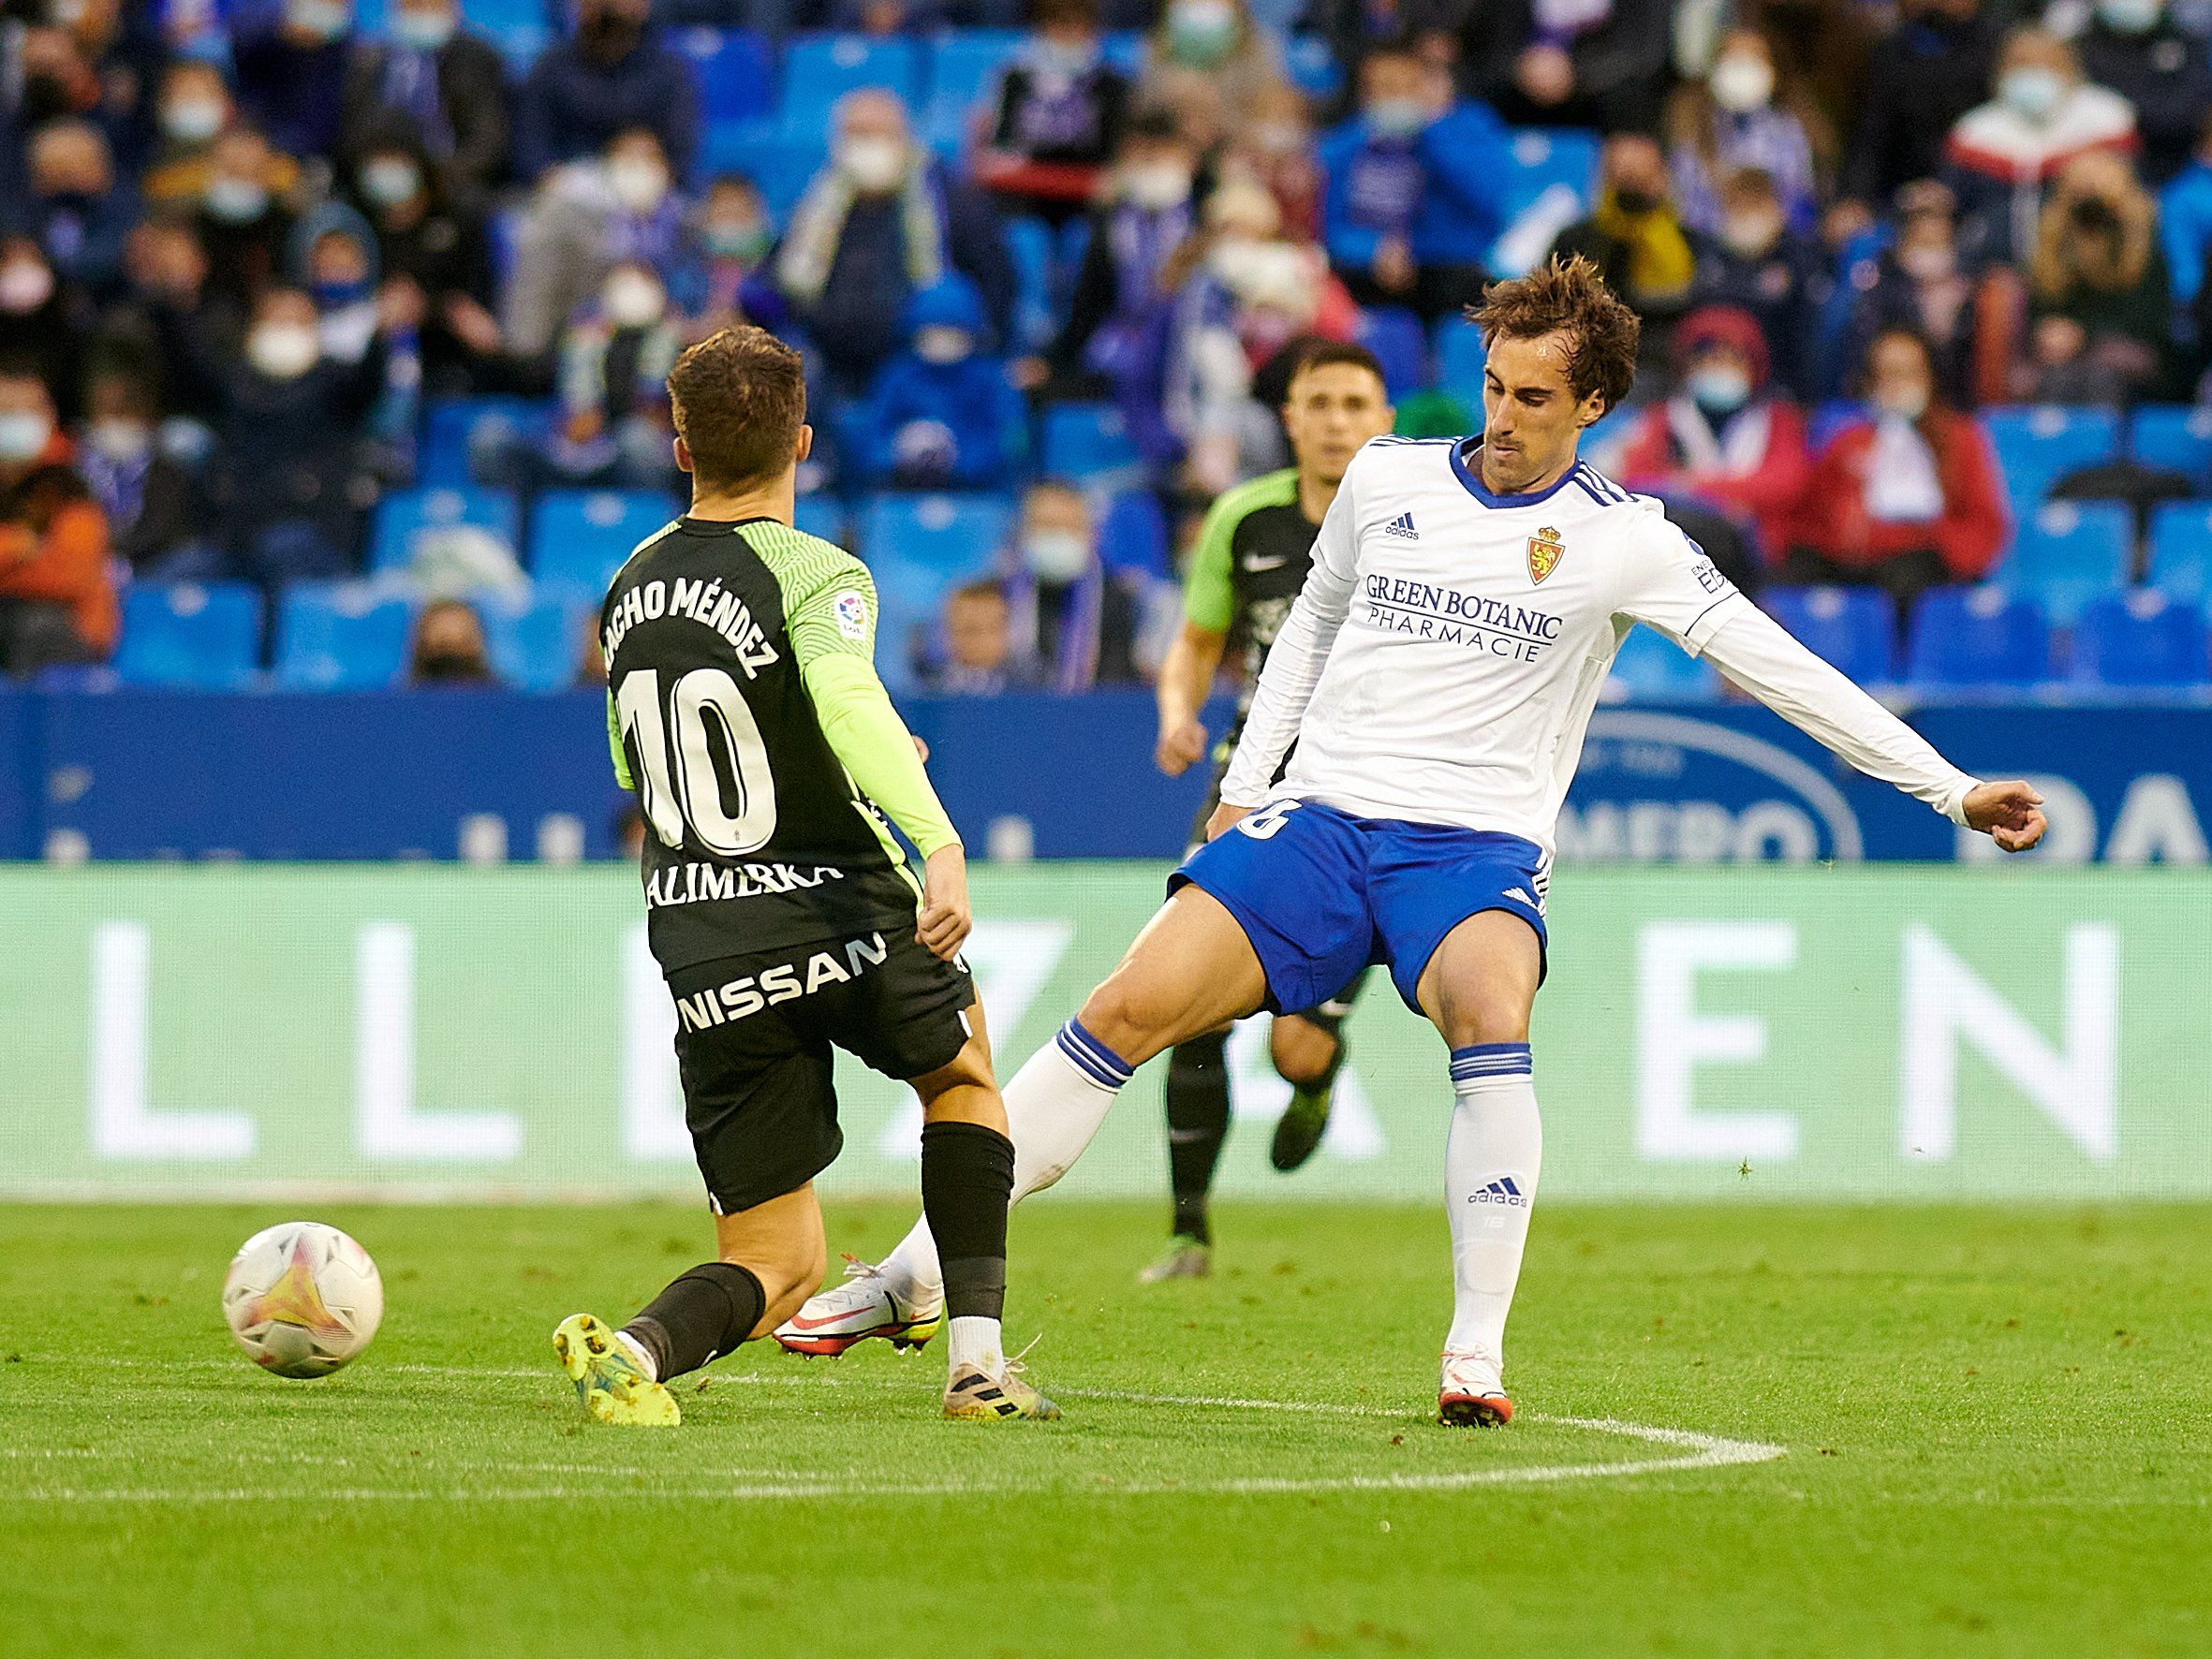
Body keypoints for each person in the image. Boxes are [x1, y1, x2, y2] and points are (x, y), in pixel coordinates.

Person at [776, 257, 2049, 1425]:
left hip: (1472, 849)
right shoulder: (1388, 478)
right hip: (1319, 819)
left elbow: (1781, 670)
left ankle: (1472, 1359)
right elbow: (1309, 637)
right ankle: (909, 1278)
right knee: (1121, 1009)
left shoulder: (1627, 541)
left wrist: (1947, 789)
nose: (1501, 415)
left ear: (1591, 403)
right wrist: (1244, 787)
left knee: (1491, 1020)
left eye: (1533, 397)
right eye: (1493, 385)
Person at [554, 325, 1054, 1425]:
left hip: (700, 931)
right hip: (834, 898)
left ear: (679, 446)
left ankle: (635, 1351)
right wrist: (938, 837)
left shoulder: (629, 584)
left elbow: (637, 763)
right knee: (964, 1083)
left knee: (778, 1254)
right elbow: (842, 700)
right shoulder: (815, 568)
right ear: (804, 441)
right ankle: (975, 1365)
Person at [1135, 339, 1395, 1285]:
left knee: (1291, 1043)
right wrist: (1176, 713)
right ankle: (1187, 1231)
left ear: (1384, 419)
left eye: (1353, 401)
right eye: (1317, 401)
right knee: (1186, 1002)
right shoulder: (1244, 518)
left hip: (1362, 799)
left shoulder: (1412, 522)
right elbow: (1197, 639)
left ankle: (1315, 1078)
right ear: (1288, 418)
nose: (1335, 419)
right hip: (1247, 783)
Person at [774, 90, 1016, 396]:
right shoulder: (817, 201)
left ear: (905, 136)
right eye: (858, 134)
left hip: (917, 354)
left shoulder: (951, 199)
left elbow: (995, 280)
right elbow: (782, 279)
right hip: (828, 354)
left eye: (880, 134)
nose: (869, 145)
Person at [1782, 326, 2007, 622]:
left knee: (1906, 578)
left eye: (1908, 373)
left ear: (1929, 378)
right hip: (1847, 562)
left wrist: (1930, 533)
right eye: (1887, 374)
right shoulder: (1849, 441)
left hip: (1916, 562)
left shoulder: (1959, 439)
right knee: (1789, 578)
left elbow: (1983, 525)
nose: (1897, 385)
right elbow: (1809, 516)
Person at [1316, 39, 1511, 323]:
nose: (1390, 99)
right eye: (1378, 89)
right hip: (1368, 270)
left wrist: (1433, 131)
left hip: (1443, 267)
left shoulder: (1469, 128)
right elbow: (1331, 230)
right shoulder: (1347, 145)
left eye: (1403, 88)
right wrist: (1374, 249)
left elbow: (1488, 209)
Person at [1616, 303, 1806, 582]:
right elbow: (1636, 479)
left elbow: (1784, 483)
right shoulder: (1664, 417)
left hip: (1757, 563)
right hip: (1674, 556)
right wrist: (1728, 501)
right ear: (1689, 366)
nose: (1720, 368)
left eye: (1731, 360)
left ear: (1753, 366)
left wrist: (1690, 485)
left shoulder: (1778, 419)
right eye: (1710, 359)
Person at [1941, 27, 2138, 261]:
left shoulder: (2106, 122)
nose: (2034, 73)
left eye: (2046, 64)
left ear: (2070, 68)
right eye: (2022, 64)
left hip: (2081, 266)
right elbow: (1953, 207)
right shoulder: (1974, 132)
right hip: (1992, 269)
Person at [1834, 0, 2000, 236]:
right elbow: (1870, 138)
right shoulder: (1893, 52)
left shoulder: (1996, 48)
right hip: (1900, 200)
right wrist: (1854, 198)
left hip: (1977, 197)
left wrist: (1949, 188)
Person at [2020, 149, 2173, 404]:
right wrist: (2048, 331)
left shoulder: (2146, 250)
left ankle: (2105, 444)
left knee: (2101, 376)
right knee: (2056, 378)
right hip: (2064, 358)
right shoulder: (2055, 246)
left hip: (2127, 352)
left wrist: (2083, 337)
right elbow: (2042, 311)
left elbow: (2148, 324)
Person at [972, 0, 1132, 227]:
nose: (1070, 36)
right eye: (1061, 25)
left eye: (1079, 27)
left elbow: (1115, 153)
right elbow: (1001, 147)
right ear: (1042, 28)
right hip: (1025, 191)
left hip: (1088, 192)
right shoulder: (1014, 77)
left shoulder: (1113, 84)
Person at [337, 0, 510, 208]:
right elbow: (352, 132)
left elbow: (487, 139)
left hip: (451, 183)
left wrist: (433, 181)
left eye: (433, 4)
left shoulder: (479, 58)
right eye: (415, 4)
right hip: (378, 176)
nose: (424, 10)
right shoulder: (368, 60)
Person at [861, 275, 1026, 491]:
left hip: (975, 494)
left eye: (952, 333)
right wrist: (900, 450)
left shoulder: (991, 379)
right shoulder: (897, 376)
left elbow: (1011, 441)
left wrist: (954, 455)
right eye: (931, 332)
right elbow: (870, 438)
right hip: (902, 492)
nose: (941, 341)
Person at [0, 364, 114, 675]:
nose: (11, 422)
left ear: (48, 416)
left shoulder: (68, 484)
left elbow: (70, 576)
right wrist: (16, 548)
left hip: (69, 628)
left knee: (32, 626)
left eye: (22, 412)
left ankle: (22, 724)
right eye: (5, 411)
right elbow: (18, 549)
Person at [1663, 27, 1826, 239]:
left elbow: (1802, 205)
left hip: (1775, 250)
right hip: (1708, 252)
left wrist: (1763, 207)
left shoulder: (1789, 131)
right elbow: (1681, 208)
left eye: (1753, 60)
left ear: (1771, 72)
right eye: (1733, 60)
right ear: (1714, 69)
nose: (1742, 69)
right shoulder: (1690, 129)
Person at [513, 0, 699, 183]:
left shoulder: (671, 72)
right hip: (566, 188)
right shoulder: (551, 67)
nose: (609, 8)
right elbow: (530, 151)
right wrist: (559, 181)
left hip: (644, 189)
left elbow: (679, 157)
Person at [2069, 0, 2212, 187]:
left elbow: (2188, 109)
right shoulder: (2079, 47)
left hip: (2175, 169)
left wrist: (2122, 111)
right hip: (2099, 175)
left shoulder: (2187, 43)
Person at [230, 0, 356, 162]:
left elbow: (324, 123)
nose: (322, 8)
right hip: (248, 144)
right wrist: (280, 34)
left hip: (309, 158)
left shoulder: (349, 58)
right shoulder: (260, 39)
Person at [923, 578, 1020, 695]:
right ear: (949, 634)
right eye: (971, 630)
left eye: (993, 628)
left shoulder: (1029, 687)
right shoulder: (930, 690)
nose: (983, 640)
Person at [407, 595, 494, 683]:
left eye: (463, 643)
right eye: (443, 644)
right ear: (421, 647)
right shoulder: (399, 696)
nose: (454, 653)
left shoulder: (503, 695)